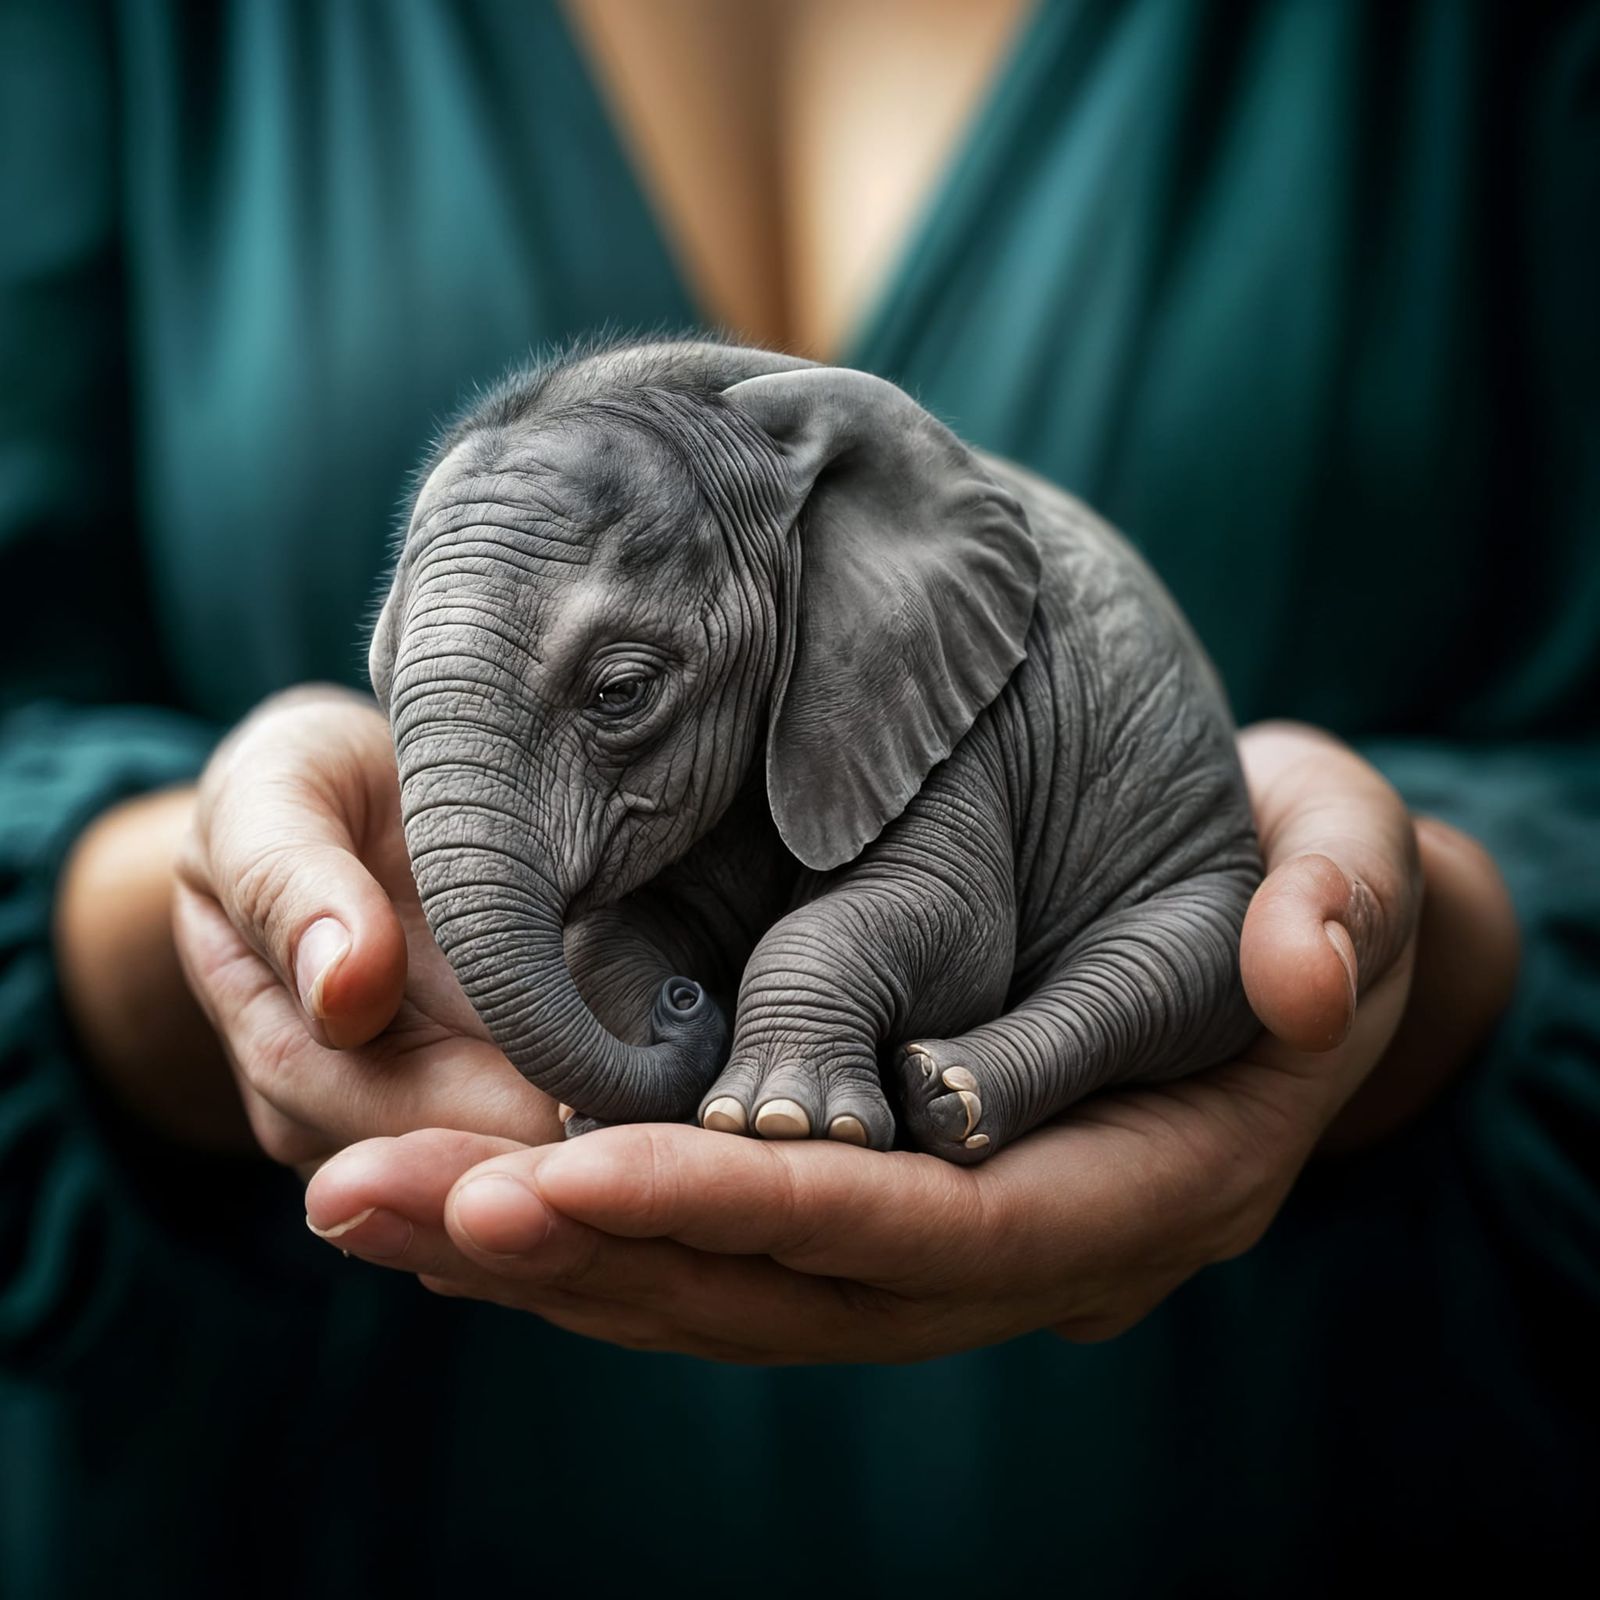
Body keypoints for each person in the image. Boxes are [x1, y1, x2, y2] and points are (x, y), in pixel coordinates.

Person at [2, 1, 1594, 1593]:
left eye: (622, 691)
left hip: (1292, 1455)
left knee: (1142, 945)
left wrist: (1426, 955)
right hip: (310, 1500)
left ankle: (1041, 1051)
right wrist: (191, 926)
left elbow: (945, 913)